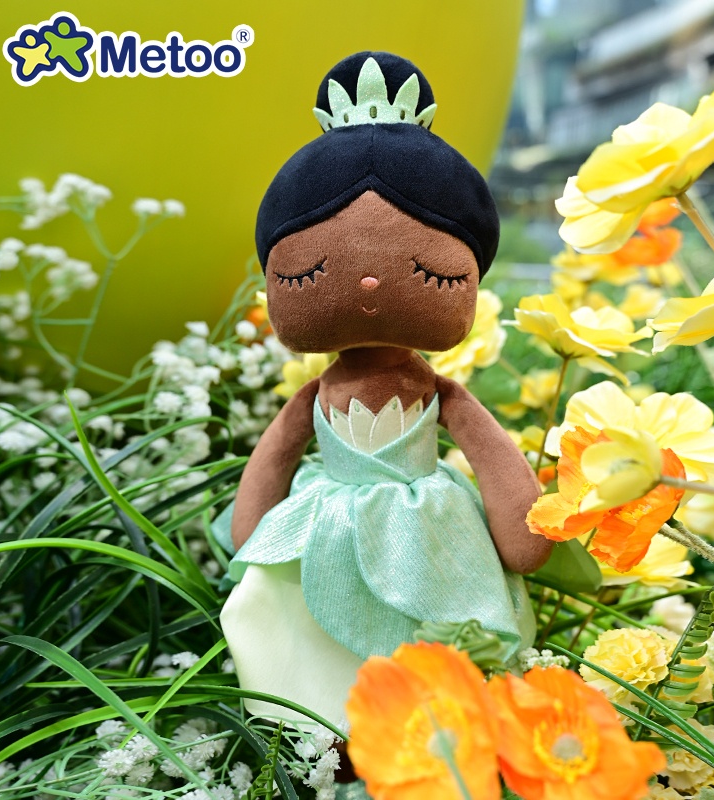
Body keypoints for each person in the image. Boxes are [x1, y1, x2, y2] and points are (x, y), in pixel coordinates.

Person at [214, 51, 552, 728]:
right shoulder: (312, 399)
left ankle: (433, 722)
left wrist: (522, 532)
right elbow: (277, 456)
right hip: (325, 526)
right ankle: (320, 723)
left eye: (430, 272)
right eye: (309, 274)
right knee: (293, 626)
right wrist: (253, 533)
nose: (369, 283)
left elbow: (489, 454)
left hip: (429, 527)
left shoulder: (443, 395)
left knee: (438, 633)